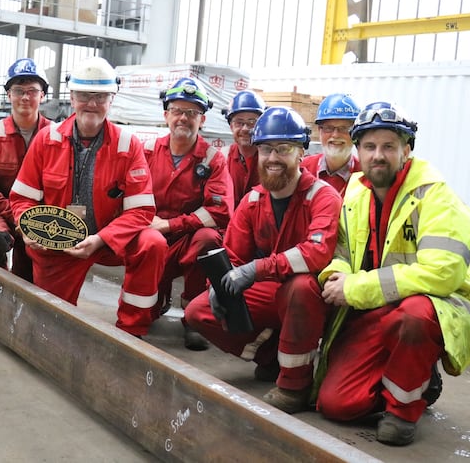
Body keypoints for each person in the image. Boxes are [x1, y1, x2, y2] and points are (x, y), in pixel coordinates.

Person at [315, 102, 470, 445]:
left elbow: (442, 274)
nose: (377, 155)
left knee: (414, 316)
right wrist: (336, 277)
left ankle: (403, 410)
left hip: (434, 308)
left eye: (388, 147)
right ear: (358, 151)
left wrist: (355, 288)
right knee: (336, 405)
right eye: (369, 147)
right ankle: (415, 375)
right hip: (378, 305)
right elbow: (341, 252)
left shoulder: (436, 196)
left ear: (406, 150)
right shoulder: (355, 192)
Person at [185, 106, 342, 413]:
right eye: (266, 149)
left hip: (316, 298)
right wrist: (217, 284)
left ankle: (295, 385)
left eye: (283, 149)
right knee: (198, 311)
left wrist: (257, 269)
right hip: (272, 292)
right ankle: (271, 357)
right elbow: (232, 255)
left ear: (300, 153)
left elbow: (316, 253)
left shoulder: (322, 196)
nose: (272, 158)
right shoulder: (254, 200)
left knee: (299, 287)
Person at [9, 56, 167, 337]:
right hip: (58, 243)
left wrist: (101, 239)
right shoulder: (47, 140)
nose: (91, 103)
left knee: (151, 243)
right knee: (52, 326)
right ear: (72, 96)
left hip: (108, 240)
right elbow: (22, 199)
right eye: (84, 95)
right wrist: (28, 227)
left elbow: (141, 210)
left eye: (100, 96)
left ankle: (131, 331)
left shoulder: (127, 145)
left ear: (112, 98)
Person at [144, 77, 234, 351]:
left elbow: (219, 211)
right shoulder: (146, 151)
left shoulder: (212, 159)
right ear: (166, 116)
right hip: (151, 236)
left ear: (202, 120)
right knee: (143, 312)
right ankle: (153, 301)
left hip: (186, 239)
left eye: (192, 113)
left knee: (207, 239)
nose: (184, 118)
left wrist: (171, 225)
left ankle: (192, 319)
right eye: (178, 111)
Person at [0, 57, 51, 281]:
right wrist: (17, 216)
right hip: (1, 211)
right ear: (9, 95)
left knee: (33, 273)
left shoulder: (56, 136)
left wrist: (34, 220)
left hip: (40, 214)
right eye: (18, 90)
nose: (25, 97)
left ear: (43, 96)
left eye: (32, 91)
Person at [301, 93, 362, 196]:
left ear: (355, 133)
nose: (335, 135)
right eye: (328, 128)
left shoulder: (364, 175)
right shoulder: (303, 168)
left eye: (344, 128)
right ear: (319, 130)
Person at [221, 90, 265, 203]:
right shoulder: (222, 158)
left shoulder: (271, 159)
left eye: (252, 122)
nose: (245, 129)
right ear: (231, 126)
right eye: (239, 122)